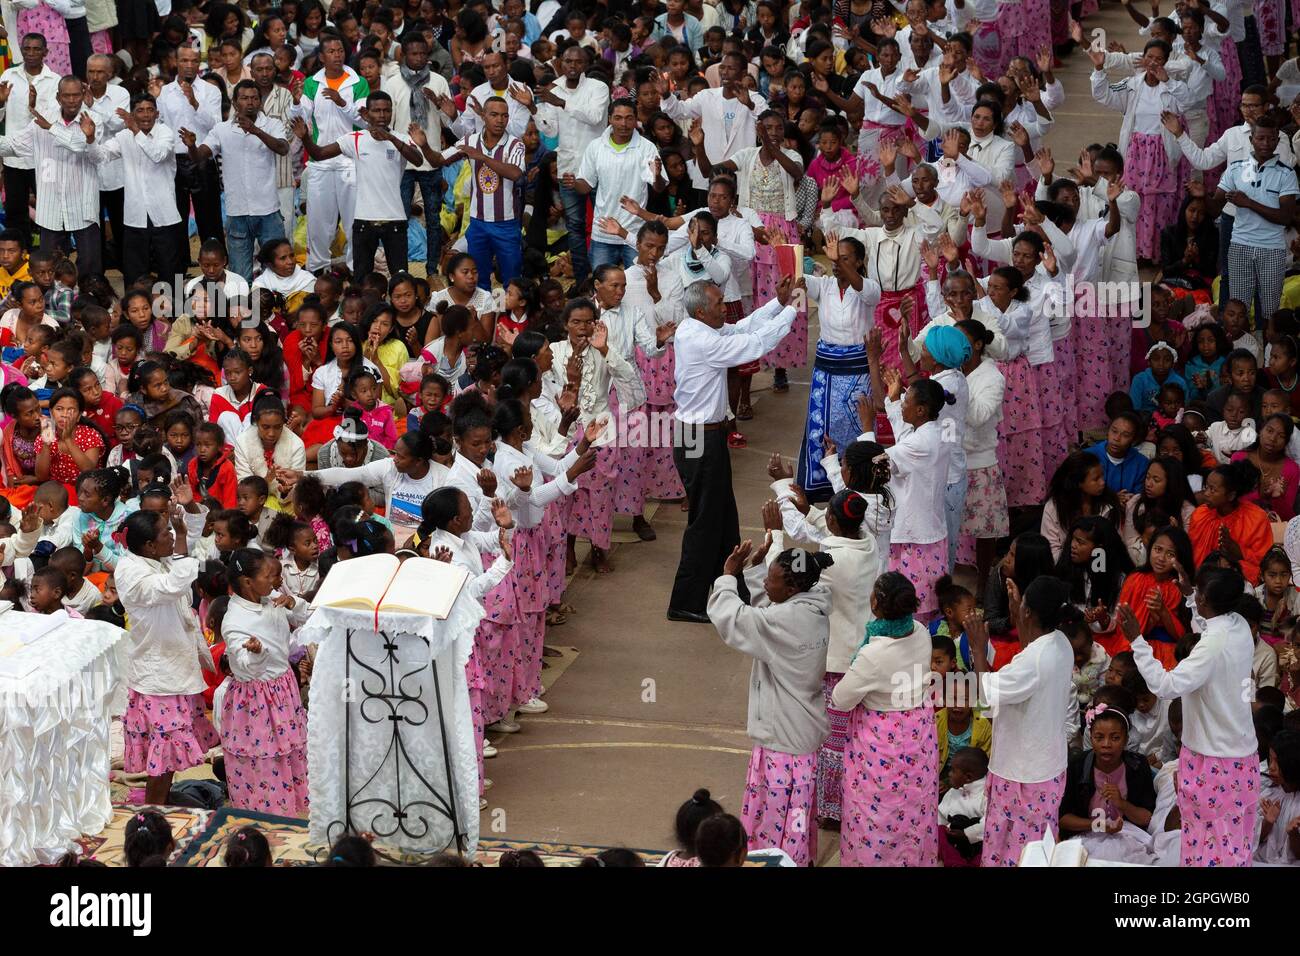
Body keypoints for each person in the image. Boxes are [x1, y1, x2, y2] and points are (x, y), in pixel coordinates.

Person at [667, 277, 796, 622]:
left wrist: (777, 304)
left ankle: (734, 591)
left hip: (703, 436)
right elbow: (753, 343)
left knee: (724, 519)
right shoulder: (700, 339)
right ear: (700, 311)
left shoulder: (698, 329)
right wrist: (791, 312)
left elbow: (740, 328)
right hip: (698, 438)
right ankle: (686, 601)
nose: (725, 308)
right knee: (705, 522)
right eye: (719, 303)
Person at [1118, 564, 1260, 866]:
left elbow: (1166, 685)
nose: (1194, 593)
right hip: (1242, 759)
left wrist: (1137, 641)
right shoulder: (1239, 625)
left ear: (1208, 599)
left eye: (1198, 591)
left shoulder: (1213, 643)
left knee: (1207, 850)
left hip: (1212, 763)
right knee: (1233, 848)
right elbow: (1209, 631)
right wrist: (1189, 597)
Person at [707, 536, 832, 867]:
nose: (765, 583)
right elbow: (771, 612)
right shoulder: (812, 604)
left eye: (771, 579)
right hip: (795, 736)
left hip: (784, 744)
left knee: (776, 820)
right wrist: (760, 566)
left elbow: (733, 618)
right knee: (796, 820)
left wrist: (727, 576)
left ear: (792, 588)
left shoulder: (789, 620)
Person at [966, 575, 1075, 867]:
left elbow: (984, 697)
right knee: (1038, 849)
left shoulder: (1033, 662)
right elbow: (1028, 651)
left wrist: (977, 648)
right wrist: (1019, 612)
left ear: (1029, 612)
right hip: (1047, 768)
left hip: (1021, 775)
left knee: (1012, 854)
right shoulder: (1061, 642)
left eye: (1022, 602)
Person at [832, 571, 938, 866]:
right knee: (914, 809)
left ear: (877, 604)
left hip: (880, 745)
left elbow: (841, 699)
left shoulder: (872, 654)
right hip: (918, 735)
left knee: (875, 816)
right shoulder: (920, 631)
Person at [116, 507, 218, 805]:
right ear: (149, 545)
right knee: (162, 754)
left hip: (174, 667)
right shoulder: (131, 573)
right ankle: (153, 810)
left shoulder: (156, 559)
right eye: (166, 533)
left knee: (170, 752)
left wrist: (183, 532)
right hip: (157, 675)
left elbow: (180, 567)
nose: (170, 536)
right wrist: (182, 546)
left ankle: (160, 803)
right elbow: (174, 584)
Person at [220, 546, 312, 815]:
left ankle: (294, 805)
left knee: (290, 751)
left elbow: (306, 617)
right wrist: (257, 653)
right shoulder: (234, 620)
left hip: (284, 689)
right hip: (257, 699)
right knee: (264, 758)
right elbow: (244, 666)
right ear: (248, 582)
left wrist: (293, 602)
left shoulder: (271, 598)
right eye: (268, 576)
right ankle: (267, 813)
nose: (275, 580)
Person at [295, 90, 424, 279]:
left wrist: (391, 139)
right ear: (366, 113)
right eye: (376, 110)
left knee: (400, 276)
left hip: (395, 219)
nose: (381, 115)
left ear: (392, 113)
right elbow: (319, 154)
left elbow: (418, 160)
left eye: (386, 111)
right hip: (363, 220)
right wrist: (305, 137)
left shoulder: (401, 139)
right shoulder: (355, 139)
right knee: (361, 277)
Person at [183, 80, 290, 281]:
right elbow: (199, 156)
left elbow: (283, 149)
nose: (250, 102)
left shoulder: (272, 124)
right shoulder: (221, 130)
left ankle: (275, 310)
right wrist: (191, 146)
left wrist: (256, 130)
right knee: (240, 276)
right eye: (244, 98)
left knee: (277, 272)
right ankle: (245, 311)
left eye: (254, 98)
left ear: (260, 102)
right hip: (237, 212)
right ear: (234, 102)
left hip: (268, 210)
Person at [0, 75, 102, 278]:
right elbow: (14, 145)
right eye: (67, 96)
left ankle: (89, 305)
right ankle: (53, 308)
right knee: (49, 269)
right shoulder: (43, 119)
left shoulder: (93, 119)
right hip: (51, 208)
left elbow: (81, 146)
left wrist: (51, 128)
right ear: (58, 97)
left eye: (76, 95)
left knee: (90, 266)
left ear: (83, 95)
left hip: (83, 206)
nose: (72, 100)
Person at [418, 97, 524, 291]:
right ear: (483, 116)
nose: (500, 120)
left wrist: (482, 157)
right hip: (478, 224)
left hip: (506, 224)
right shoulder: (469, 141)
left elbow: (516, 173)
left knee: (511, 279)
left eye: (504, 116)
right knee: (478, 279)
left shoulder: (515, 145)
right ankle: (484, 317)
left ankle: (507, 317)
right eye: (494, 115)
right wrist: (424, 146)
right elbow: (438, 160)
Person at [1210, 115, 1299, 331]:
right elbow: (1214, 208)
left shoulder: (1286, 174)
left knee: (1269, 312)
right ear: (1252, 139)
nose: (1266, 144)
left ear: (1278, 141)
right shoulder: (1235, 169)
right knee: (1238, 309)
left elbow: (1285, 217)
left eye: (1271, 139)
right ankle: (1239, 356)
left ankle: (1265, 357)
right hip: (1240, 246)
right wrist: (1202, 195)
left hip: (1272, 249)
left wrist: (1248, 203)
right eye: (1261, 139)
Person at [289, 33, 369, 272]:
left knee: (354, 221)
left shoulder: (358, 82)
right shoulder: (313, 83)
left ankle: (357, 270)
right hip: (319, 162)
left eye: (340, 50)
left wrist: (342, 102)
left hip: (350, 161)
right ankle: (317, 270)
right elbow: (299, 119)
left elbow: (365, 121)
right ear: (322, 57)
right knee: (318, 222)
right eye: (332, 52)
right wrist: (295, 101)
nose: (337, 55)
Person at [87, 92, 181, 286]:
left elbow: (158, 155)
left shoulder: (166, 133)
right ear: (133, 114)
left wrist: (136, 131)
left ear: (157, 114)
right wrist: (90, 139)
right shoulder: (123, 136)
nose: (145, 115)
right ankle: (135, 312)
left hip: (165, 213)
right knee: (135, 271)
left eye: (150, 110)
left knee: (169, 269)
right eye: (140, 110)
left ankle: (175, 312)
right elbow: (99, 157)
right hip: (135, 215)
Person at [536, 43, 610, 285]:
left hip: (598, 168)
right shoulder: (555, 88)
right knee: (575, 228)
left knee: (601, 224)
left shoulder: (598, 87)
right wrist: (532, 107)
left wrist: (561, 103)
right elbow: (551, 129)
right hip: (568, 167)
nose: (573, 66)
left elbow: (595, 117)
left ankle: (601, 278)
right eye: (568, 61)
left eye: (578, 62)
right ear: (561, 63)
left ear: (586, 65)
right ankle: (581, 281)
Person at [572, 99, 666, 271]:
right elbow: (585, 186)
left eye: (629, 118)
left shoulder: (646, 148)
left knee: (640, 284)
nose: (624, 123)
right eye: (618, 118)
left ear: (635, 119)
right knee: (603, 287)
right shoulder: (596, 147)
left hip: (636, 234)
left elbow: (658, 187)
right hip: (603, 232)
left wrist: (658, 175)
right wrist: (573, 183)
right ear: (609, 119)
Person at [155, 46, 224, 253]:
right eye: (184, 60)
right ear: (176, 61)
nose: (189, 65)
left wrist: (195, 103)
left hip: (202, 158)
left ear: (199, 64)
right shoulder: (165, 92)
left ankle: (216, 262)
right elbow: (161, 125)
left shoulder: (210, 91)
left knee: (209, 216)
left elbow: (216, 126)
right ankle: (180, 265)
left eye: (194, 61)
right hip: (174, 160)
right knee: (176, 216)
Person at [0, 34, 60, 238]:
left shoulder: (55, 81)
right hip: (14, 157)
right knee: (15, 211)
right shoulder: (8, 75)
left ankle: (52, 255)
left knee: (49, 210)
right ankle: (21, 256)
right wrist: (0, 103)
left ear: (45, 52)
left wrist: (33, 108)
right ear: (22, 50)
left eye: (36, 49)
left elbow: (56, 118)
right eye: (27, 49)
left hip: (44, 156)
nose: (31, 53)